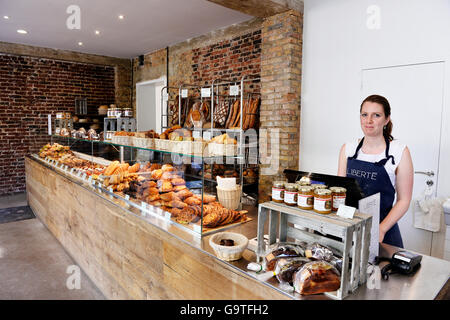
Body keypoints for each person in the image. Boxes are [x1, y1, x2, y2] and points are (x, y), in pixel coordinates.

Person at [337, 95, 414, 248]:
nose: (369, 120)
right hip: (350, 226)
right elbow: (341, 192)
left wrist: (382, 229)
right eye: (364, 114)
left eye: (376, 115)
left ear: (386, 119)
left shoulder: (399, 151)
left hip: (383, 230)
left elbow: (404, 200)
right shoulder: (348, 148)